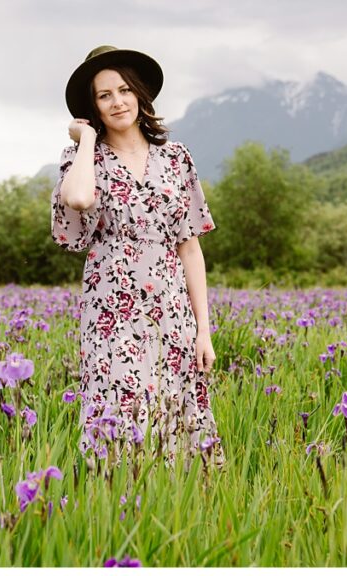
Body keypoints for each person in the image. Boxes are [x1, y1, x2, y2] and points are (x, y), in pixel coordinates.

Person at [51, 45, 225, 469]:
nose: (118, 102)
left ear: (141, 95)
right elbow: (77, 198)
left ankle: (178, 511)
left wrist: (204, 330)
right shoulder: (81, 159)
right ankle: (115, 509)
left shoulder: (176, 158)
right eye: (104, 95)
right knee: (115, 406)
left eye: (125, 90)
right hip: (112, 310)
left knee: (176, 408)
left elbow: (190, 247)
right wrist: (88, 139)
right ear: (92, 107)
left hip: (171, 309)